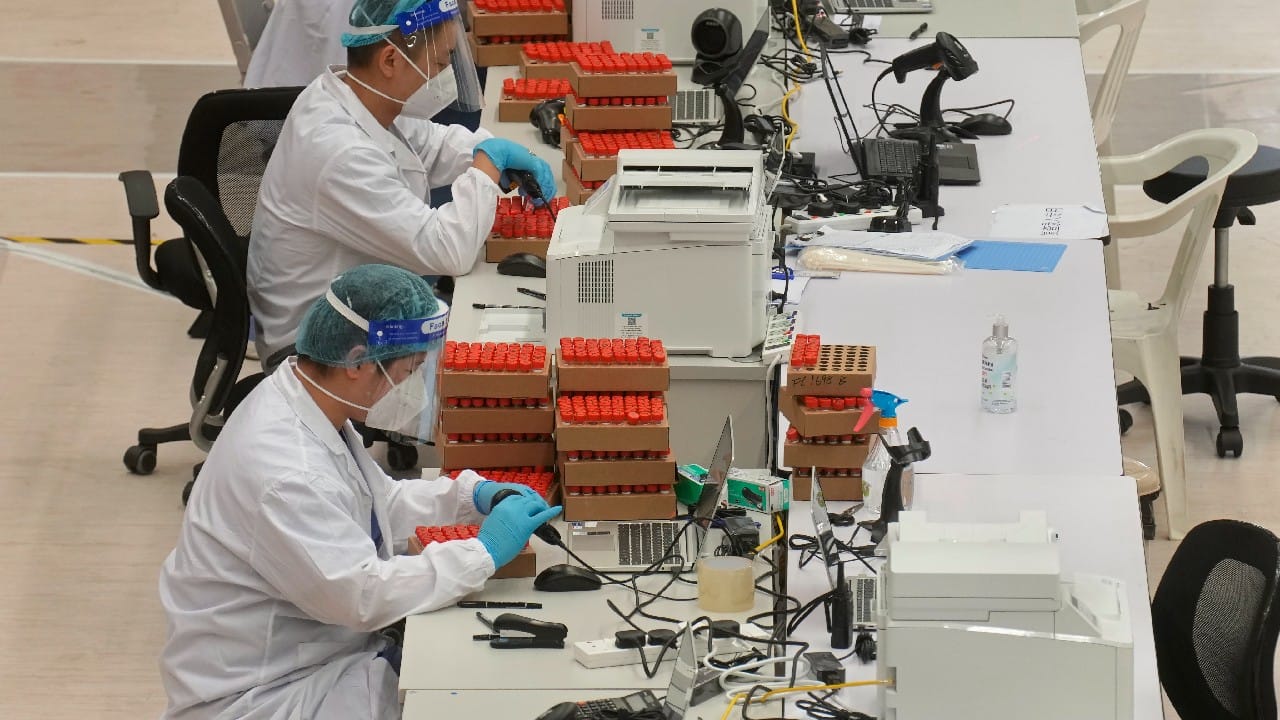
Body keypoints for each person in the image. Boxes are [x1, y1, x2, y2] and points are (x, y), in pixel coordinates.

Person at [158, 264, 562, 719]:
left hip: (318, 649)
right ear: (355, 362)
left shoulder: (304, 398)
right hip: (265, 694)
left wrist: (469, 496)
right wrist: (483, 552)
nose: (411, 388)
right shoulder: (287, 471)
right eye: (407, 372)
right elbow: (363, 596)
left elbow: (374, 502)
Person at [248, 0, 555, 368]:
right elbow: (449, 251)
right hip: (323, 349)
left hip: (359, 305)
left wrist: (495, 150)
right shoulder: (337, 151)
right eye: (441, 62)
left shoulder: (355, 97)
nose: (444, 74)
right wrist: (488, 167)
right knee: (494, 362)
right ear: (390, 61)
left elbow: (432, 144)